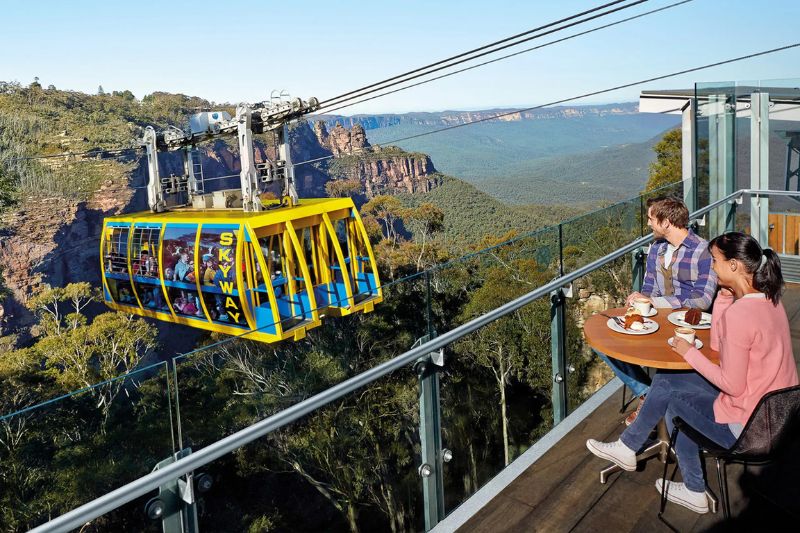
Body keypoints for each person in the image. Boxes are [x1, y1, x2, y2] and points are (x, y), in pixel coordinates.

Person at [586, 232, 798, 514]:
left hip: (748, 429)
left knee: (671, 398)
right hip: (774, 416)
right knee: (666, 379)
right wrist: (723, 299)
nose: (710, 267)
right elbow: (720, 346)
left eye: (714, 261)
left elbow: (731, 384)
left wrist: (688, 352)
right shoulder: (770, 300)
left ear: (734, 265)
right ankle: (632, 450)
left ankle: (690, 486)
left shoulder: (741, 315)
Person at [597, 196, 717, 425]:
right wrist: (639, 302)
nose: (649, 224)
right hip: (657, 322)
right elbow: (648, 288)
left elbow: (702, 299)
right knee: (604, 342)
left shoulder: (703, 251)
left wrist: (657, 303)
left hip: (688, 328)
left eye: (652, 219)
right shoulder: (657, 249)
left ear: (666, 223)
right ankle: (647, 393)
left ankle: (650, 401)